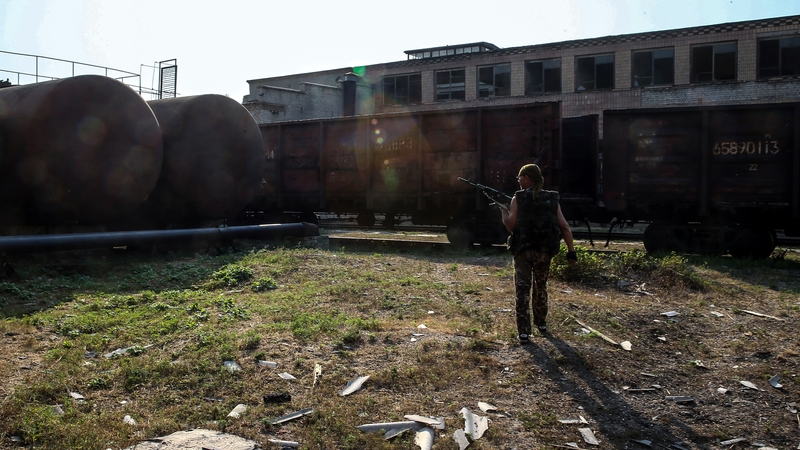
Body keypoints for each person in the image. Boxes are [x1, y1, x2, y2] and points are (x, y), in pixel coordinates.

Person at [499, 164, 577, 344]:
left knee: (522, 289)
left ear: (527, 178)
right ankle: (541, 323)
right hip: (544, 251)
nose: (518, 181)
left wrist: (503, 211)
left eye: (519, 178)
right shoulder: (551, 198)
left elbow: (511, 226)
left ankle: (524, 332)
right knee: (540, 287)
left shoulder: (517, 198)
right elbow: (564, 226)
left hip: (523, 251)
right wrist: (571, 252)